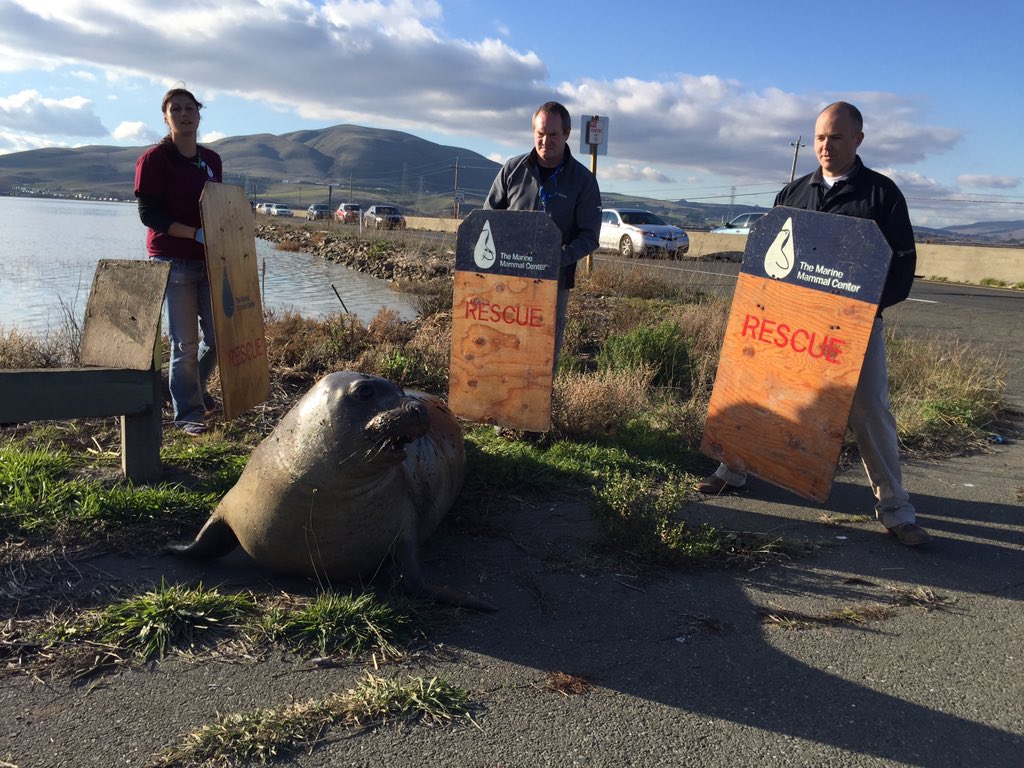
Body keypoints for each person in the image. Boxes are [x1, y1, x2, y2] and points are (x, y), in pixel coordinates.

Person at [697, 101, 932, 548]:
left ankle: (897, 511)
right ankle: (734, 468)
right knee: (765, 391)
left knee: (869, 411)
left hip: (854, 333)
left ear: (858, 140)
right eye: (821, 137)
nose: (826, 146)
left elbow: (902, 268)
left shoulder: (881, 195)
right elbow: (766, 263)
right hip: (789, 326)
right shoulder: (793, 194)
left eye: (837, 138)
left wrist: (863, 314)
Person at [483, 101, 602, 368]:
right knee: (502, 348)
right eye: (540, 133)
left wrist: (553, 259)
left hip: (553, 283)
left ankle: (540, 407)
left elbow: (589, 236)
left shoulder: (583, 181)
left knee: (543, 356)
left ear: (567, 133)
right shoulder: (512, 170)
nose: (545, 140)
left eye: (552, 134)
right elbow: (488, 219)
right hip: (508, 280)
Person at [134, 85, 222, 436]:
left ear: (199, 114)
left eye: (190, 108)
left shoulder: (212, 160)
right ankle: (188, 414)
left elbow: (218, 206)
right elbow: (149, 214)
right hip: (172, 261)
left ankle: (193, 391)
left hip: (209, 261)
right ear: (166, 117)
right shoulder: (154, 160)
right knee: (184, 342)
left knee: (218, 339)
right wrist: (193, 234)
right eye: (176, 109)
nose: (184, 114)